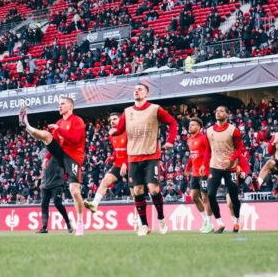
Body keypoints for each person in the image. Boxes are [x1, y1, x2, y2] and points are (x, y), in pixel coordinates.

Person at [110, 83, 178, 236]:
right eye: (135, 89)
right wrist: (113, 132)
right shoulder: (127, 112)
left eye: (140, 89)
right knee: (137, 190)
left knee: (153, 189)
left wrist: (170, 140)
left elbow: (172, 123)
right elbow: (120, 130)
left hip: (151, 155)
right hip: (133, 157)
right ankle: (144, 225)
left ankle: (161, 219)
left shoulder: (155, 109)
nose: (136, 91)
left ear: (146, 93)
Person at [19, 97, 87, 235]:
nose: (60, 106)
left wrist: (59, 129)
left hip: (73, 157)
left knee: (74, 191)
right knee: (47, 136)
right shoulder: (59, 122)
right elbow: (54, 141)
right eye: (59, 104)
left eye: (62, 104)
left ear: (70, 106)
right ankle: (27, 125)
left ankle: (80, 222)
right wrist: (47, 157)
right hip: (59, 155)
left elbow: (75, 139)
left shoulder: (77, 120)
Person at [203, 106, 249, 233]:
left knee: (234, 197)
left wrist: (230, 159)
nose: (218, 113)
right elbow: (208, 150)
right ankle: (219, 223)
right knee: (211, 194)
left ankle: (237, 222)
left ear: (227, 114)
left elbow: (240, 149)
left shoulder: (233, 130)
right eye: (216, 111)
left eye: (221, 111)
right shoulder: (209, 131)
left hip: (231, 168)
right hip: (215, 166)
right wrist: (204, 165)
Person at [84, 112, 135, 213]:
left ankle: (141, 220)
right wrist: (112, 157)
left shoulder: (128, 132)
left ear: (121, 120)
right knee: (105, 181)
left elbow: (133, 150)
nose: (112, 121)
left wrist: (126, 163)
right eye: (111, 120)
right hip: (118, 164)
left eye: (115, 119)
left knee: (135, 193)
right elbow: (117, 150)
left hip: (131, 164)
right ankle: (94, 204)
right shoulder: (112, 135)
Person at [184, 117, 215, 233]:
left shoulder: (203, 138)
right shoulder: (189, 140)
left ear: (199, 127)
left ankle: (210, 223)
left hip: (204, 172)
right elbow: (192, 156)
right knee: (194, 196)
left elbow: (209, 153)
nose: (190, 126)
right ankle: (205, 221)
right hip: (195, 173)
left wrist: (204, 165)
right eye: (189, 125)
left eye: (193, 125)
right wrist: (187, 167)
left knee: (205, 197)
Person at [37, 150, 73, 234]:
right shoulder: (42, 152)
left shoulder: (57, 149)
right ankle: (44, 227)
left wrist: (66, 175)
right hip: (45, 183)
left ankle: (68, 222)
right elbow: (43, 166)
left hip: (57, 181)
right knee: (44, 204)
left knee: (57, 203)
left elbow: (66, 162)